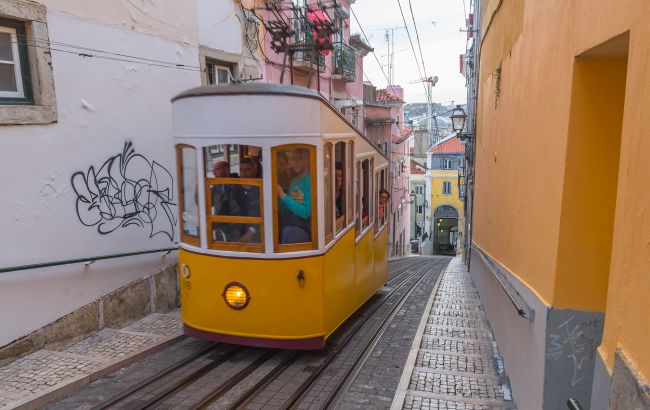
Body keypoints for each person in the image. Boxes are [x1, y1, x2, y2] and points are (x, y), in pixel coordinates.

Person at [277, 148, 312, 244]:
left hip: (303, 229)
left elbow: (306, 213)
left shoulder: (313, 181)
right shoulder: (294, 181)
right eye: (293, 158)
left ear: (308, 160)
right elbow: (286, 208)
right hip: (289, 225)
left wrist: (282, 195)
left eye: (299, 158)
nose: (295, 162)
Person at [237, 157, 261, 243]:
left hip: (257, 237)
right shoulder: (234, 189)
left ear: (255, 171)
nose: (244, 174)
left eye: (248, 170)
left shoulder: (261, 189)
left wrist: (251, 231)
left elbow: (264, 215)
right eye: (241, 170)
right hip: (235, 235)